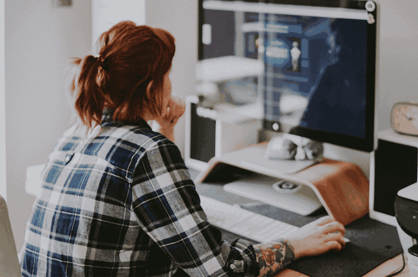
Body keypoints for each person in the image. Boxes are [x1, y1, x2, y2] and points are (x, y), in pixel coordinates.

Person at [19, 21, 346, 277]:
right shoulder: (146, 153)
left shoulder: (76, 134)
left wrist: (167, 129)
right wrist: (296, 244)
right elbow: (220, 269)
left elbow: (159, 203)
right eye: (168, 75)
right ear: (152, 88)